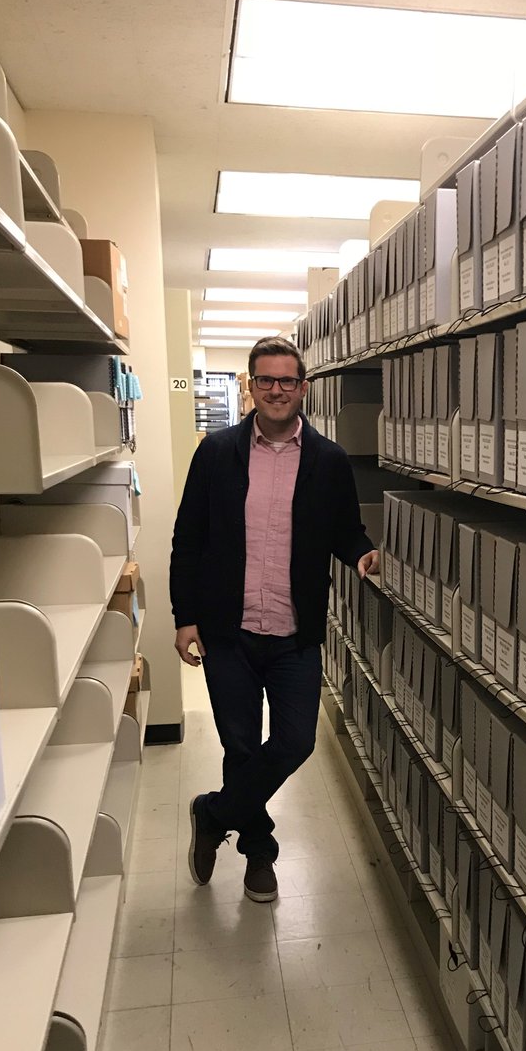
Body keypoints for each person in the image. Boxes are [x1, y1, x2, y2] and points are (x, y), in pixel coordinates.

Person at [169, 336, 379, 902]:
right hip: (228, 632)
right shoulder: (216, 454)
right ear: (250, 386)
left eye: (288, 381)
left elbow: (345, 530)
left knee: (294, 741)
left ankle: (213, 813)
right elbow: (187, 539)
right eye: (266, 380)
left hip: (295, 634)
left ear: (303, 388)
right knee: (240, 747)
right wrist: (184, 617)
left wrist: (362, 553)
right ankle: (259, 854)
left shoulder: (329, 460)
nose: (277, 390)